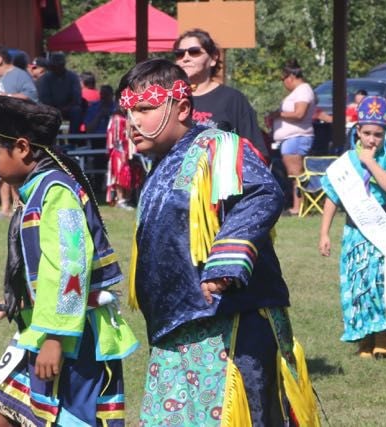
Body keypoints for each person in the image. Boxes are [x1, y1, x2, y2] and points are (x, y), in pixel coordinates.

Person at [122, 58, 319, 426]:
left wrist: (226, 261)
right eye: (128, 110)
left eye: (145, 108)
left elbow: (261, 193)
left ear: (181, 107)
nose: (133, 120)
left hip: (229, 321)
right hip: (176, 331)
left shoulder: (218, 146)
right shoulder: (160, 167)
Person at [0, 96, 138, 426]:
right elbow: (42, 270)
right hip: (45, 328)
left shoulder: (56, 191)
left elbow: (70, 265)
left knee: (64, 420)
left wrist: (54, 337)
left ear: (22, 148)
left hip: (74, 337)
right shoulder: (38, 189)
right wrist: (16, 304)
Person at [318, 96, 386, 358]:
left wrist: (370, 162)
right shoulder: (345, 163)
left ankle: (383, 336)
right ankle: (363, 337)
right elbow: (332, 197)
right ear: (357, 131)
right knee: (358, 283)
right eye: (367, 133)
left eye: (378, 134)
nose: (372, 139)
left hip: (380, 228)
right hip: (355, 231)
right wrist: (324, 232)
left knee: (380, 281)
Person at [173, 28, 269, 161]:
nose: (186, 58)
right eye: (179, 54)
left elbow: (255, 152)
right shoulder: (171, 99)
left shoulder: (233, 99)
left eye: (194, 52)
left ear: (213, 58)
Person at [0, 46, 38, 218]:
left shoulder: (20, 75)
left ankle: (18, 208)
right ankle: (4, 208)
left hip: (12, 130)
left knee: (14, 171)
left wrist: (7, 97)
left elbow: (32, 95)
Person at [268, 59, 317, 215]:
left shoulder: (303, 90)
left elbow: (299, 113)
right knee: (294, 174)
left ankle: (298, 207)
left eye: (283, 79)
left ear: (290, 76)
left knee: (296, 174)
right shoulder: (298, 92)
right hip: (291, 139)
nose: (284, 83)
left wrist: (278, 114)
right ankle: (298, 205)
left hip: (297, 137)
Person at [105, 105, 141, 209]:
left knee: (132, 174)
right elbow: (116, 139)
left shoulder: (128, 117)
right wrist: (122, 152)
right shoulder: (117, 119)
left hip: (130, 151)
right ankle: (120, 199)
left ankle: (127, 199)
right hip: (119, 151)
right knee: (120, 175)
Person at [38, 52, 83, 134]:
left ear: (62, 65)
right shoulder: (45, 79)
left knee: (77, 111)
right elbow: (44, 98)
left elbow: (76, 97)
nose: (54, 68)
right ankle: (49, 138)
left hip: (69, 108)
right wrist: (55, 108)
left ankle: (74, 139)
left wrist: (67, 107)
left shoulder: (72, 77)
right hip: (51, 108)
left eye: (56, 66)